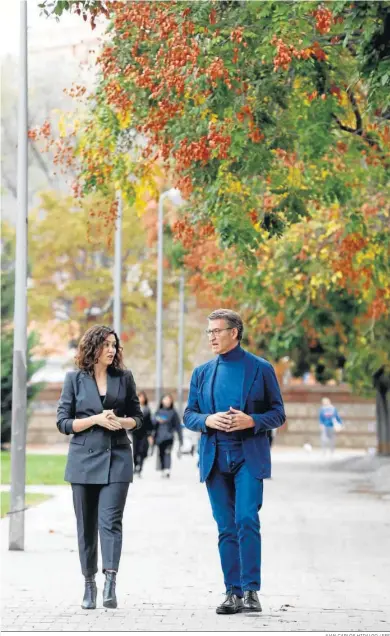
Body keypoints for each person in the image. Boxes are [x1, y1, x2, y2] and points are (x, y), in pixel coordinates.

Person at [184, 309, 285, 615]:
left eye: (217, 331)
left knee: (246, 520)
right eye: (209, 332)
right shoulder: (202, 373)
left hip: (248, 457)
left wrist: (251, 420)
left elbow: (278, 413)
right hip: (215, 458)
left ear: (234, 333)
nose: (212, 337)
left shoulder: (261, 369)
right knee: (226, 526)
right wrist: (208, 419)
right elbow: (189, 415)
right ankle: (233, 592)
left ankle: (252, 590)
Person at [56, 325, 143, 611]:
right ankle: (89, 583)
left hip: (117, 457)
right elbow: (64, 423)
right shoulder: (74, 380)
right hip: (83, 462)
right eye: (106, 344)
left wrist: (121, 422)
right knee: (86, 526)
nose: (111, 349)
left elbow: (138, 418)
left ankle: (111, 582)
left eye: (114, 345)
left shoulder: (124, 378)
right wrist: (96, 419)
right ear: (93, 347)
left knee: (111, 522)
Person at [152, 393, 183, 478]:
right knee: (161, 453)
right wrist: (156, 420)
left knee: (167, 452)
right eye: (165, 399)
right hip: (159, 437)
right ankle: (162, 469)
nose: (167, 401)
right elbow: (153, 425)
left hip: (169, 437)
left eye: (169, 400)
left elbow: (178, 426)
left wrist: (181, 439)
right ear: (162, 401)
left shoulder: (173, 412)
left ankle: (167, 469)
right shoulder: (158, 412)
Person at [132, 391, 154, 477]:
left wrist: (150, 434)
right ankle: (135, 466)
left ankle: (140, 468)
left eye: (142, 397)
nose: (141, 399)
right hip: (135, 433)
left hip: (144, 433)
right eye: (139, 397)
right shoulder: (133, 408)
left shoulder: (147, 409)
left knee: (142, 451)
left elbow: (149, 423)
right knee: (135, 452)